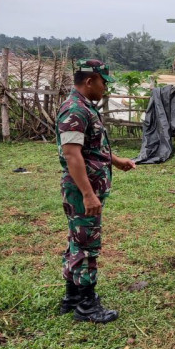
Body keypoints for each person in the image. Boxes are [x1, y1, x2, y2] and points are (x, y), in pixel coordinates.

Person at [55, 59, 136, 323]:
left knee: (77, 241)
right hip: (82, 190)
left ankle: (72, 297)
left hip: (87, 187)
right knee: (87, 245)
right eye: (103, 83)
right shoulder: (75, 110)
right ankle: (88, 306)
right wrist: (88, 194)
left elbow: (90, 148)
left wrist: (116, 160)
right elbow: (72, 154)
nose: (105, 89)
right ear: (90, 81)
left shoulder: (84, 107)